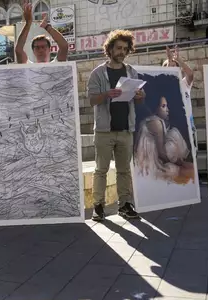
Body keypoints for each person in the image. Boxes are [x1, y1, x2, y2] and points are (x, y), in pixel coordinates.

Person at [87, 29, 145, 222]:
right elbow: (91, 100)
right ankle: (98, 206)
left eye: (125, 49)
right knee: (101, 170)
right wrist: (106, 95)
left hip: (126, 130)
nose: (122, 52)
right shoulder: (97, 73)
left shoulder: (131, 72)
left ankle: (125, 205)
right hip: (104, 131)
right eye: (118, 48)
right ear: (109, 49)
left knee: (124, 170)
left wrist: (140, 97)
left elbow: (136, 101)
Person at [162, 46, 196, 155]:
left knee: (192, 157)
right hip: (173, 129)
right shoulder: (163, 88)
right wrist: (169, 61)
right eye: (168, 66)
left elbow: (190, 74)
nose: (171, 69)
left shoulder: (184, 84)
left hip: (188, 127)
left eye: (174, 67)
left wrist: (179, 60)